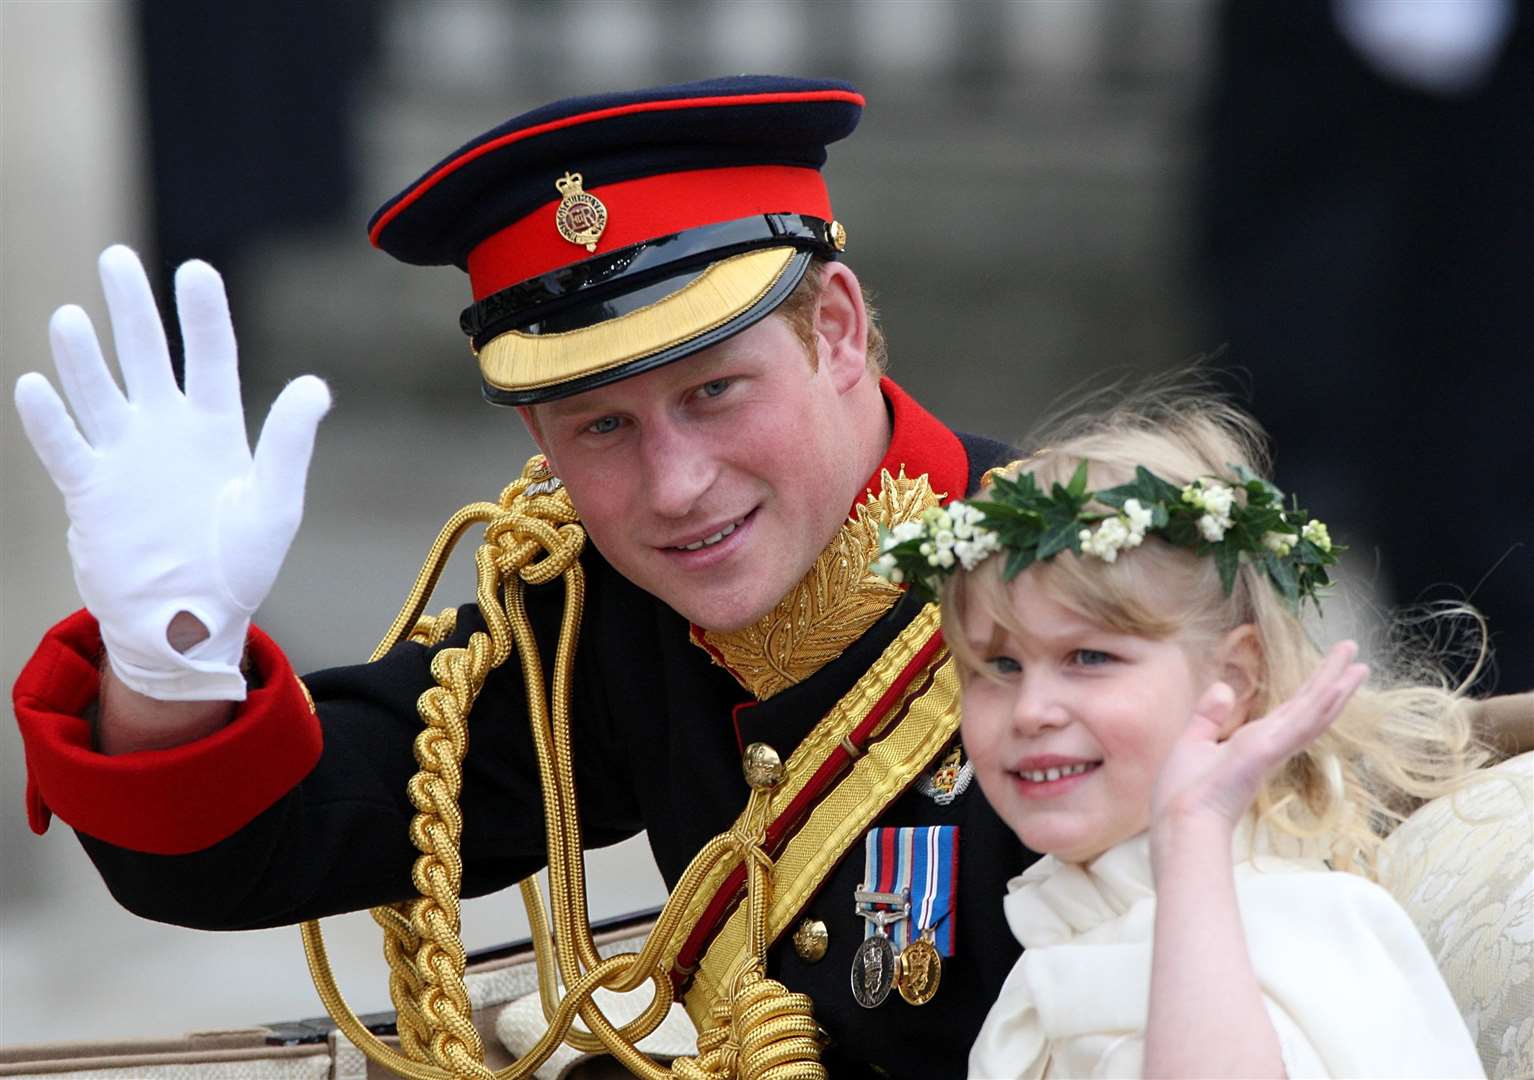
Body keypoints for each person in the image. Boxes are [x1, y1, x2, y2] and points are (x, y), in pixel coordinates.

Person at [10, 76, 1028, 1076]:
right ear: (537, 434)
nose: (674, 486)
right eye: (602, 426)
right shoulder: (602, 611)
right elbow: (258, 848)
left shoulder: (1088, 600)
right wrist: (172, 653)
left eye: (714, 390)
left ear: (838, 330)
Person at [872, 391, 1490, 1077]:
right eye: (1000, 666)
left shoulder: (1299, 933)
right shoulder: (1065, 930)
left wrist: (1193, 831)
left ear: (1234, 679)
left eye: (1089, 658)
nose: (1031, 710)